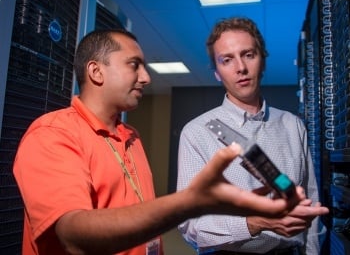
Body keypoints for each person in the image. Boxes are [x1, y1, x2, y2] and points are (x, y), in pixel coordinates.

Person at [12, 29, 312, 255]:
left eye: (248, 55)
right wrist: (187, 204)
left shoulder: (130, 138)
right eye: (134, 65)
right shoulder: (52, 134)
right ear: (96, 71)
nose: (146, 77)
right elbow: (73, 235)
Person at [176, 17, 329, 255]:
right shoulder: (197, 133)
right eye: (227, 60)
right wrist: (255, 222)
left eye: (248, 54)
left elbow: (310, 199)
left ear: (263, 60)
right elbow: (190, 226)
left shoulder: (293, 125)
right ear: (216, 72)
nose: (241, 68)